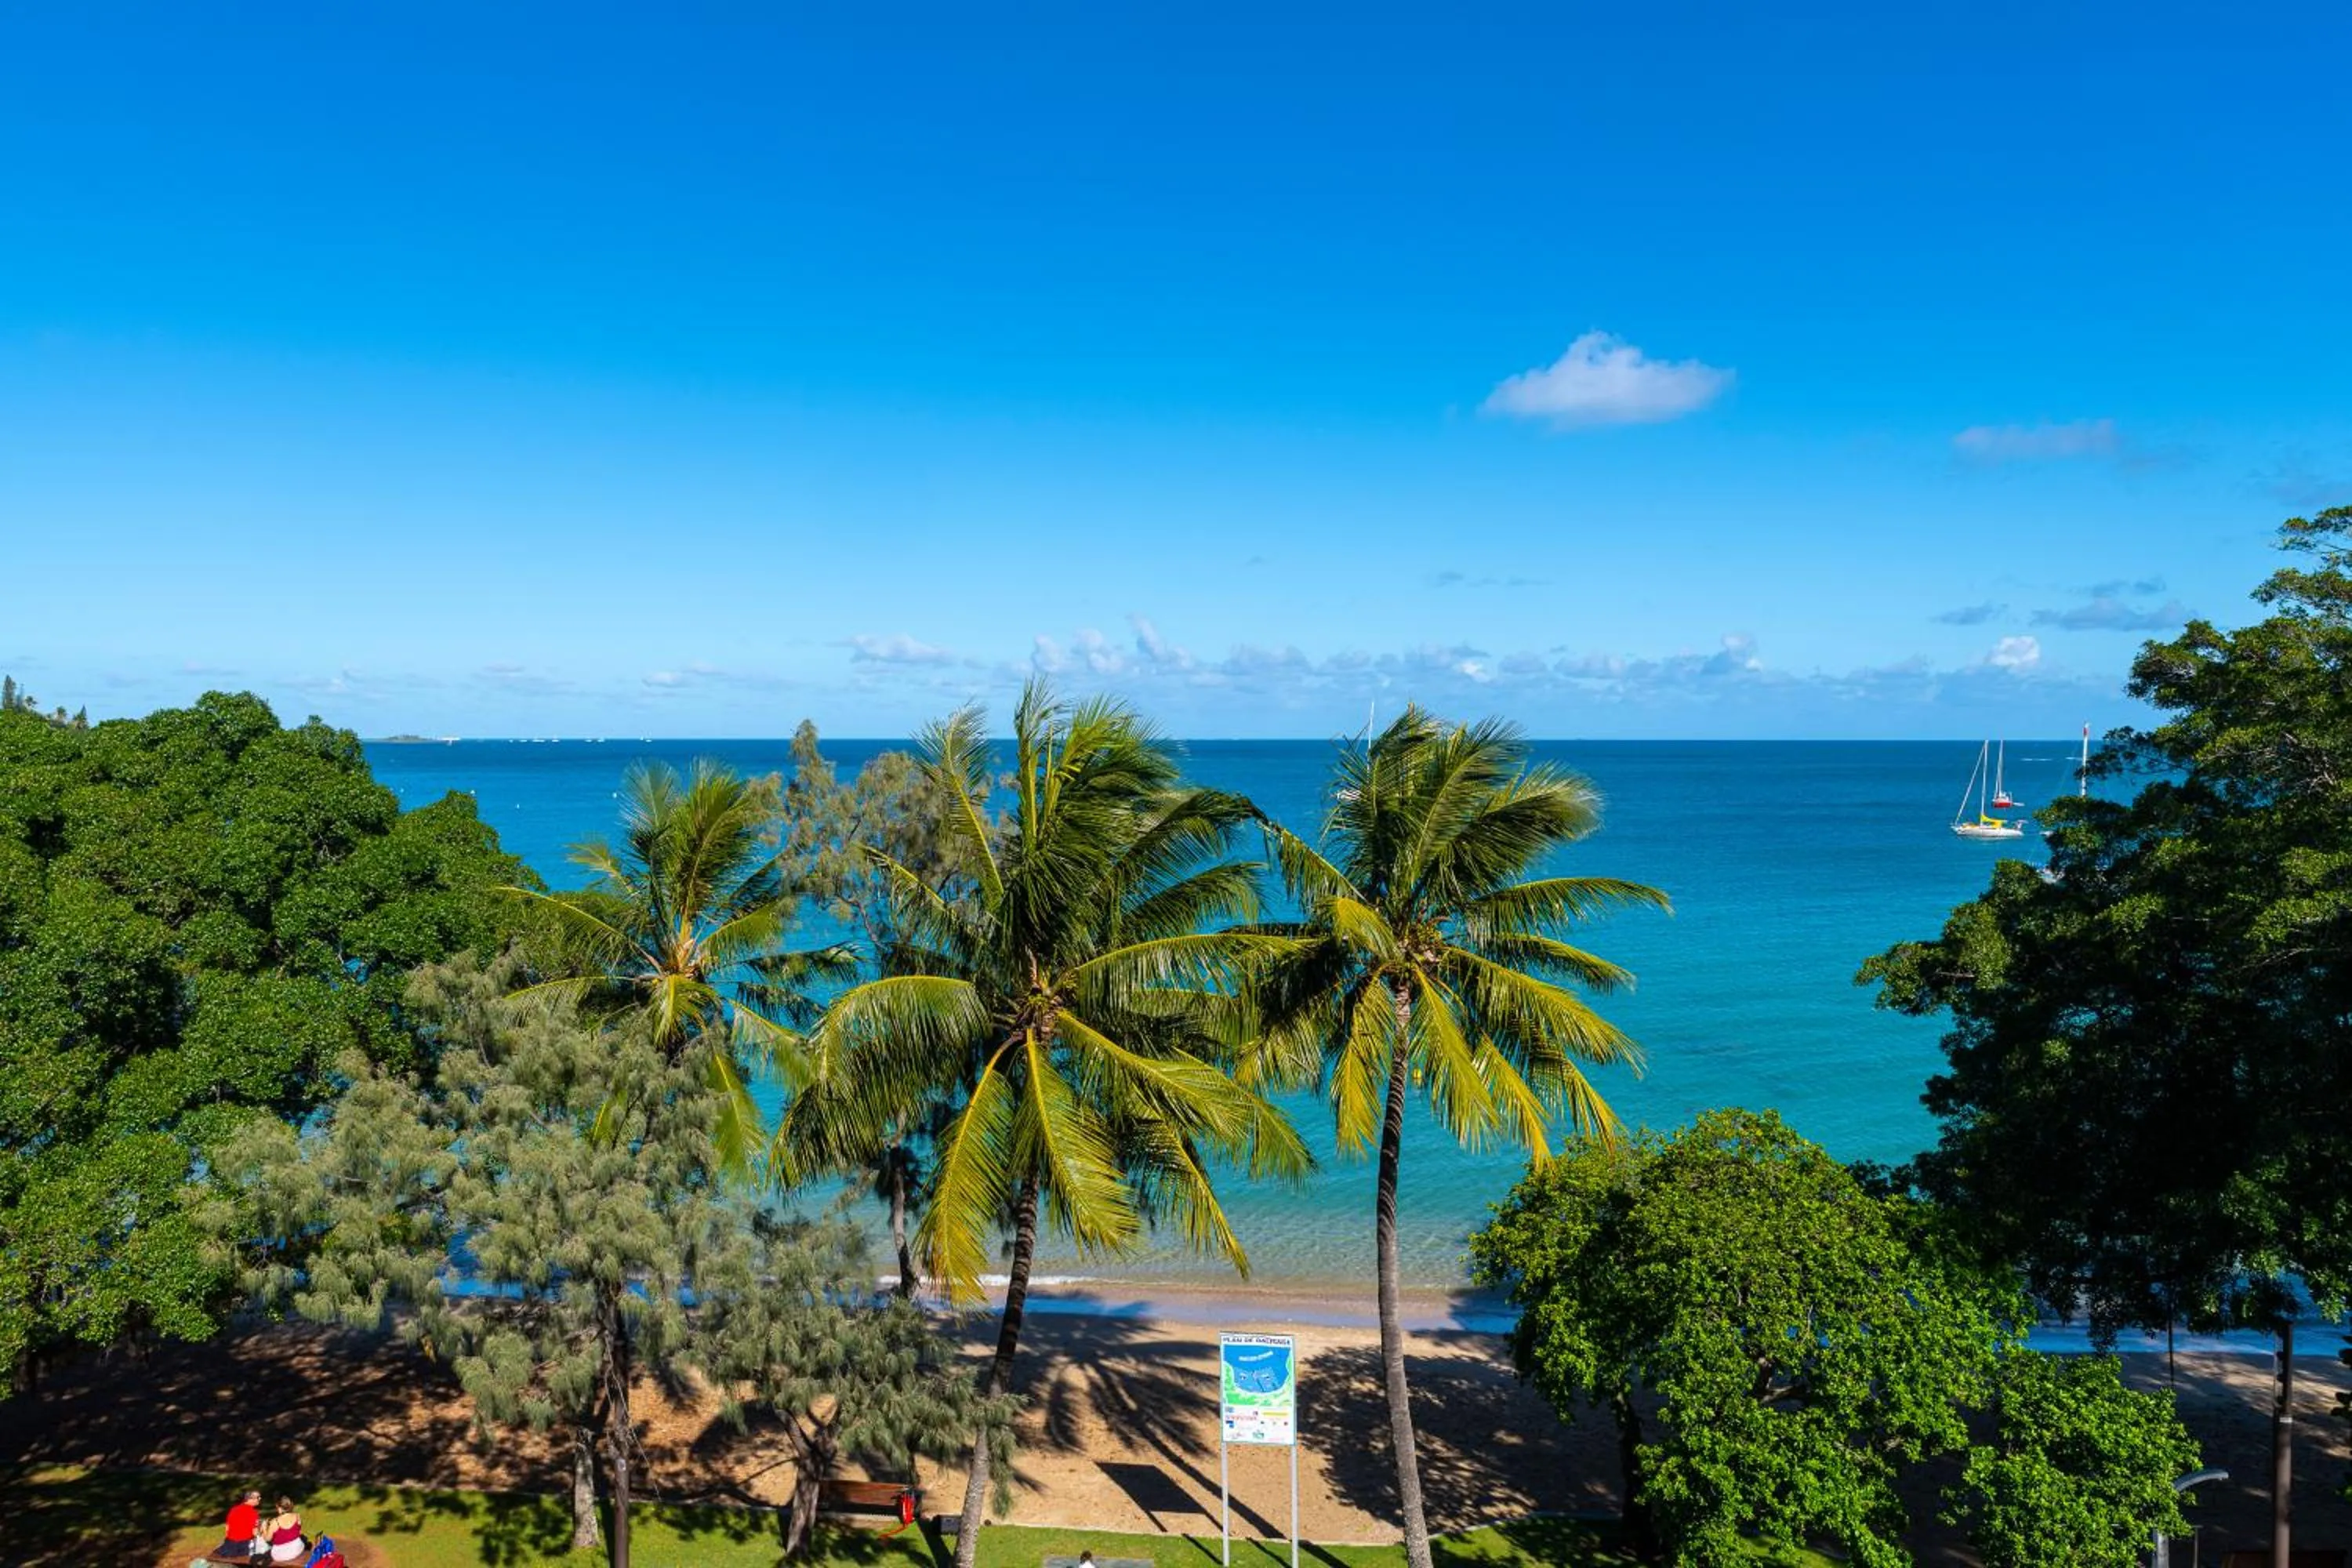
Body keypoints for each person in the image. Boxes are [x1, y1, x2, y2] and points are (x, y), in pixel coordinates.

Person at [217, 1490, 263, 1560]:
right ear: (250, 1499)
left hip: (229, 1545)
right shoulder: (254, 1513)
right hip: (244, 1547)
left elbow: (227, 1529)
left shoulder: (233, 1509)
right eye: (258, 1497)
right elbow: (255, 1533)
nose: (260, 1499)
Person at [264, 1496, 307, 1565]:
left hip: (280, 1555)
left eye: (277, 1508)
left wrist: (264, 1528)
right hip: (298, 1548)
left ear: (280, 1508)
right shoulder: (297, 1516)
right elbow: (299, 1531)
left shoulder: (275, 1522)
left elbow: (268, 1539)